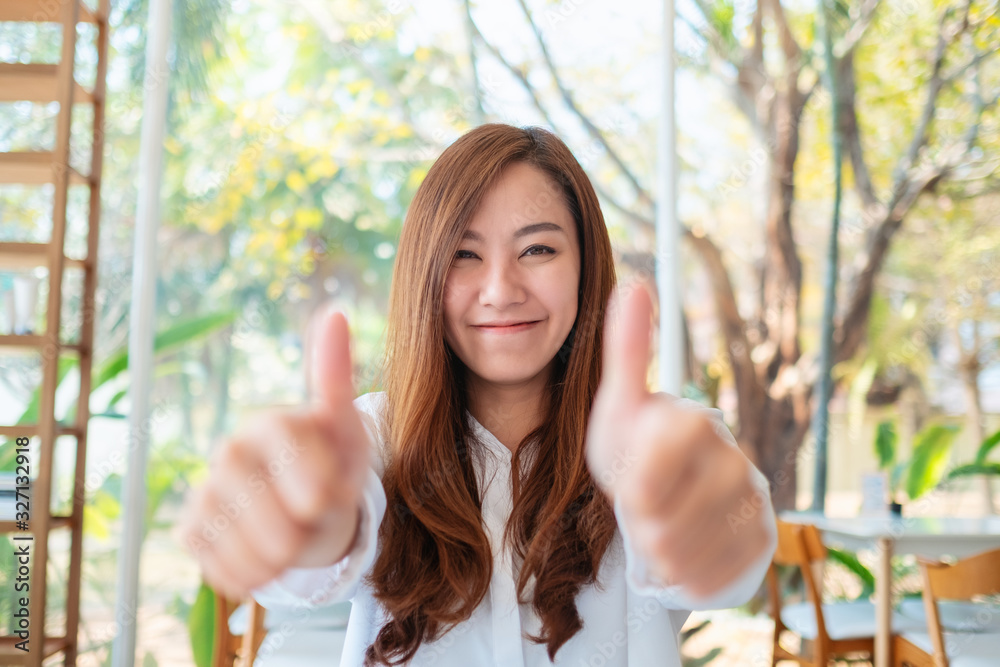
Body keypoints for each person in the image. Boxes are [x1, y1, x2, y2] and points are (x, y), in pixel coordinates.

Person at [180, 123, 778, 667]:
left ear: (586, 267)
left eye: (538, 249)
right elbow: (318, 547)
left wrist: (714, 529)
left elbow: (729, 553)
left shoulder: (663, 441)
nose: (500, 289)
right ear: (425, 276)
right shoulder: (369, 438)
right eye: (465, 255)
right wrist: (304, 521)